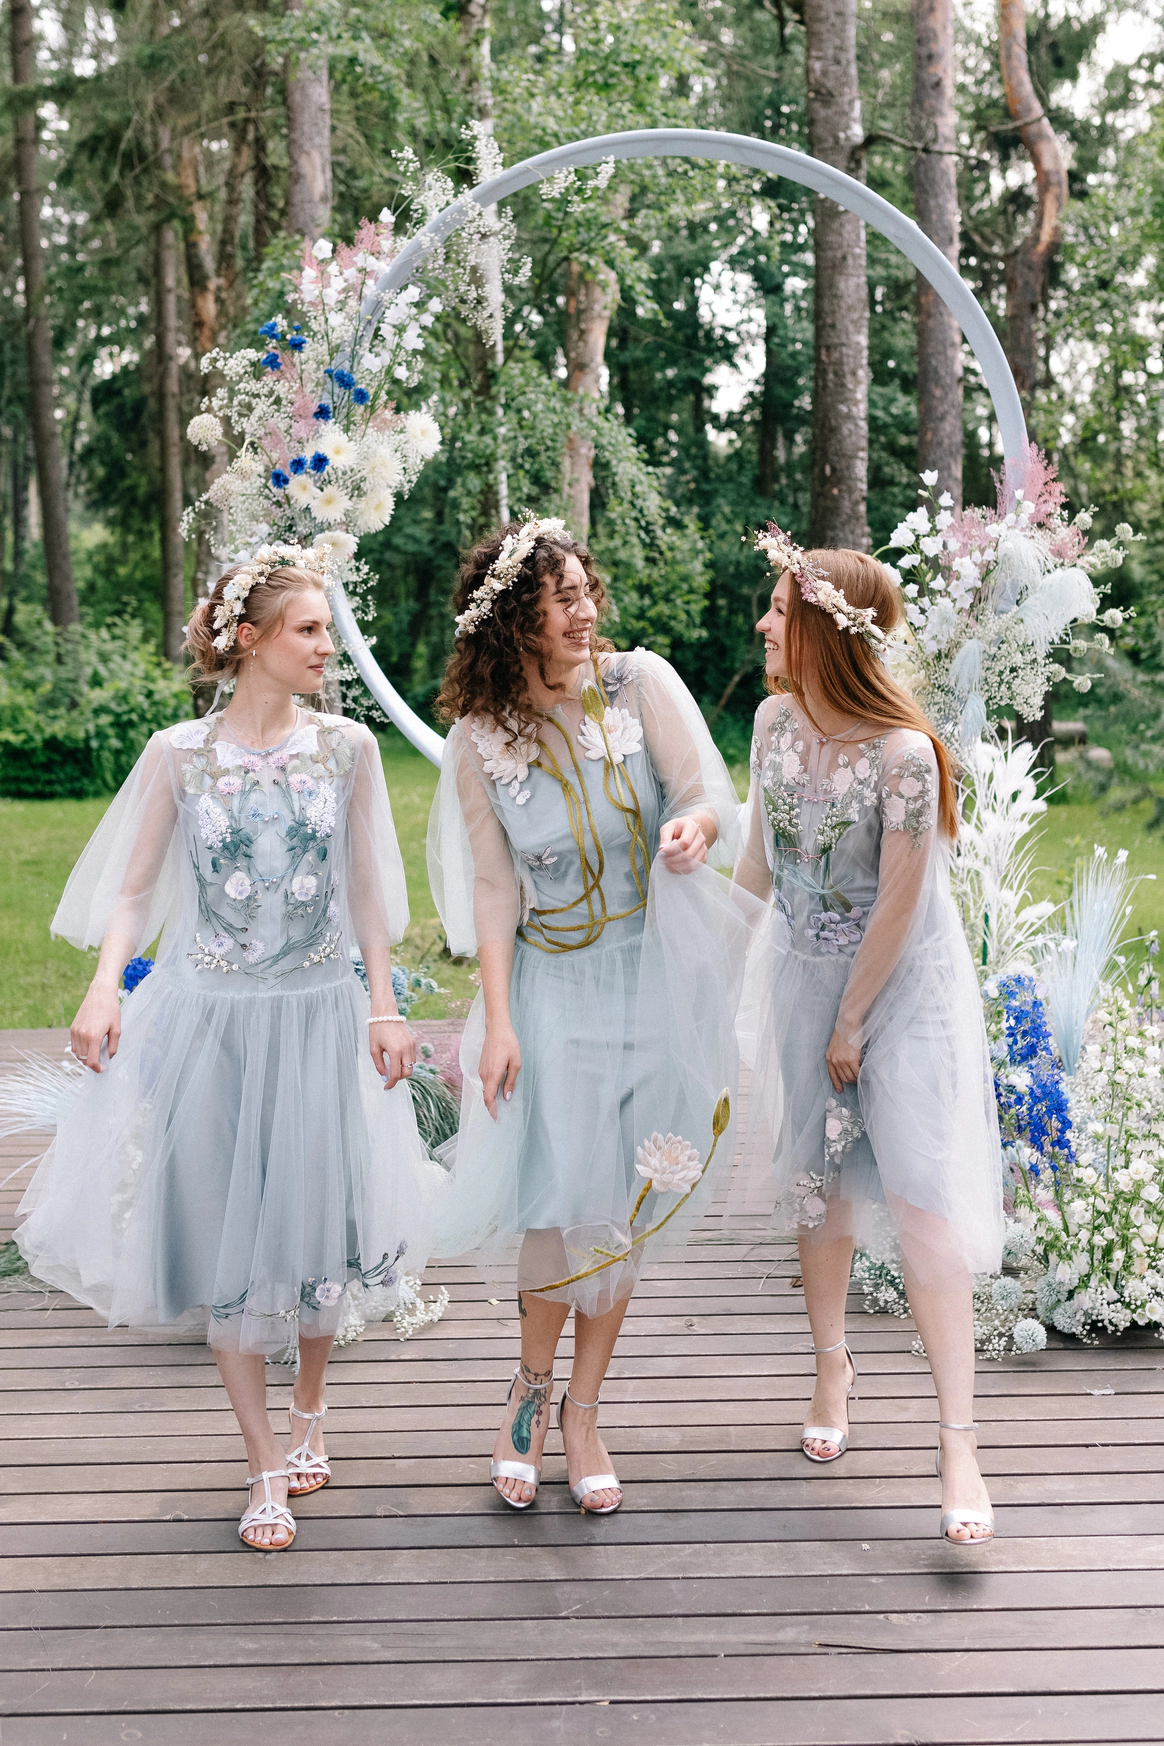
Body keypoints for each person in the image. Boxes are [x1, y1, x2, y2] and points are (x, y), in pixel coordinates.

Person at [15, 543, 444, 1552]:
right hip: (207, 1022)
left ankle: (309, 1409)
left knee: (320, 1227)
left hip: (317, 1017)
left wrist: (384, 1006)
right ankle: (262, 1465)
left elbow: (369, 894)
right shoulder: (178, 755)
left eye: (328, 631)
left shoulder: (348, 750)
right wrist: (103, 988)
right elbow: (132, 890)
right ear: (248, 639)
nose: (327, 648)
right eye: (309, 630)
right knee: (225, 1235)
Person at [427, 516, 749, 1515]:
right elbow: (493, 888)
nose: (583, 612)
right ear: (512, 622)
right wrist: (499, 1021)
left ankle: (584, 1409)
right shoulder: (478, 742)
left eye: (584, 591)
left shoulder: (640, 684)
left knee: (623, 1202)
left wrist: (694, 827)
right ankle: (529, 1390)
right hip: (553, 988)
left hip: (652, 981)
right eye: (559, 599)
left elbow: (706, 791)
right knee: (556, 1200)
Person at [732, 527, 1002, 1547]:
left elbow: (900, 903)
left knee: (922, 1203)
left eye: (779, 610)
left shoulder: (904, 756)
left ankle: (958, 1441)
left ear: (826, 631)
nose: (764, 624)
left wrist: (852, 1022)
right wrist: (707, 974)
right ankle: (831, 1365)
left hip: (900, 995)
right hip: (805, 979)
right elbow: (758, 865)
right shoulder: (772, 723)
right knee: (818, 1187)